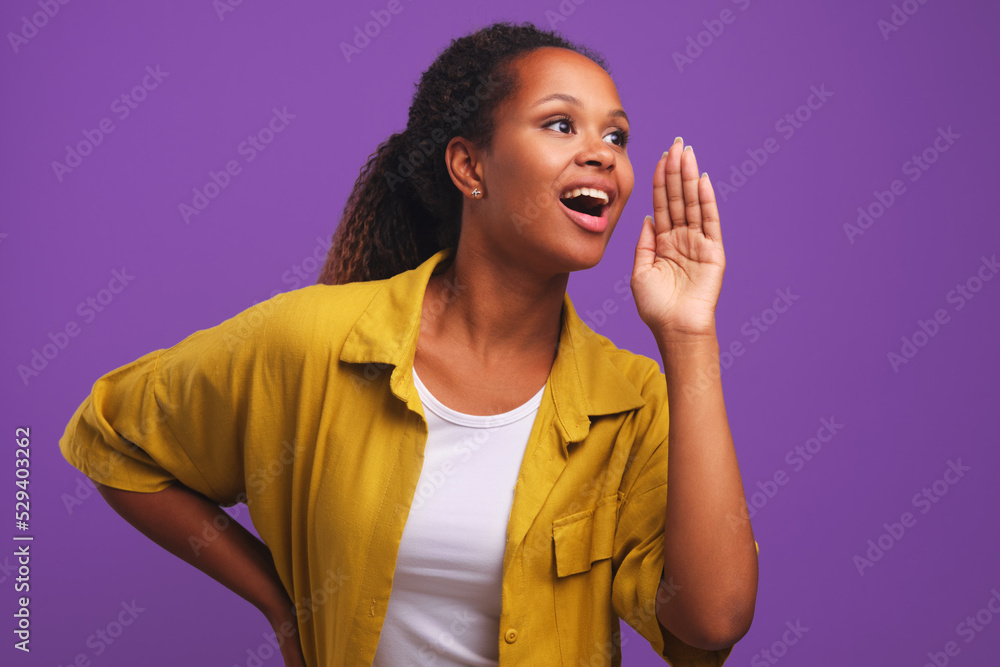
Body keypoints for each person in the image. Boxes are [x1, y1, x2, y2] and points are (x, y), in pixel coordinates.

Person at [59, 20, 758, 666]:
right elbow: (111, 437)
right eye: (560, 124)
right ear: (469, 167)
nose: (603, 157)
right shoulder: (311, 340)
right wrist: (280, 599)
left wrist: (689, 334)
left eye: (616, 137)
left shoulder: (632, 402)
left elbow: (711, 622)